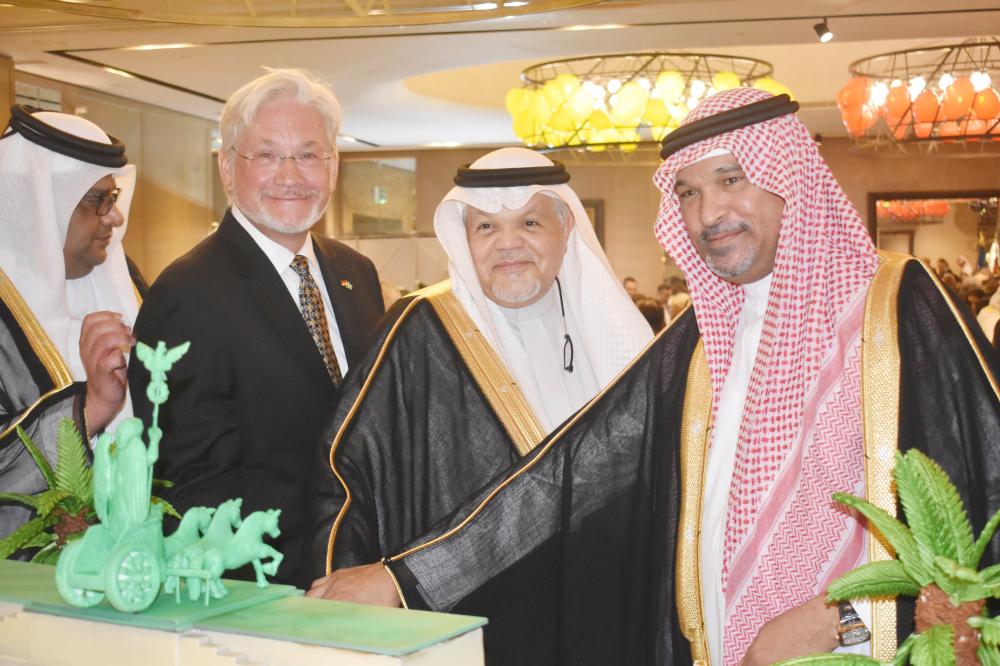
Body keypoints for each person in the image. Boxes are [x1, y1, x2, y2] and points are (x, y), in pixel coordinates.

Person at [314, 90, 1000, 666]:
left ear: (787, 175)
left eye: (732, 179)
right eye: (690, 193)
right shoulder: (698, 339)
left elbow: (978, 517)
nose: (708, 215)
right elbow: (570, 474)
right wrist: (406, 579)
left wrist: (848, 617)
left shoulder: (898, 308)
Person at [304, 147, 652, 594]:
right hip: (468, 610)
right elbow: (348, 470)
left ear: (565, 229)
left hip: (601, 594)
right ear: (462, 237)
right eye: (486, 227)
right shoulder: (420, 327)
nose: (508, 244)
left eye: (530, 223)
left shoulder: (608, 328)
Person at [128, 68, 384, 585]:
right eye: (267, 155)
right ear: (227, 167)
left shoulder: (357, 273)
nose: (291, 175)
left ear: (333, 167)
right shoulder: (187, 293)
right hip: (265, 591)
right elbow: (191, 486)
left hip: (366, 579)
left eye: (310, 154)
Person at [0, 106, 137, 539]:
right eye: (97, 200)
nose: (114, 218)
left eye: (113, 199)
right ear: (41, 202)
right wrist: (92, 407)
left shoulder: (125, 283)